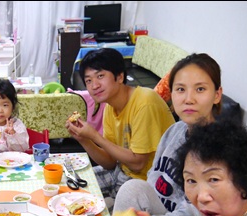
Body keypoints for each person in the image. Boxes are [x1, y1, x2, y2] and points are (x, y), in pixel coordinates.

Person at [91, 53, 223, 216]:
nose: (189, 98)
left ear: (217, 95)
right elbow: (153, 177)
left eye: (200, 89)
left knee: (125, 202)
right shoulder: (175, 131)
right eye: (180, 89)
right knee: (117, 200)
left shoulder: (218, 150)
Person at [65, 48, 175, 206]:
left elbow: (138, 164)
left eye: (100, 76)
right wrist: (84, 139)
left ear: (120, 77)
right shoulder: (110, 107)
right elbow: (110, 162)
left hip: (146, 184)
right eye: (88, 80)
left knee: (91, 215)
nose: (94, 85)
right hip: (121, 171)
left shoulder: (145, 102)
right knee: (67, 187)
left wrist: (95, 135)